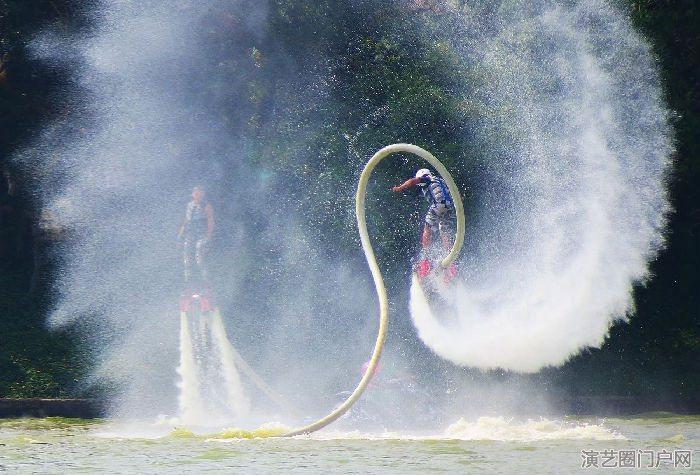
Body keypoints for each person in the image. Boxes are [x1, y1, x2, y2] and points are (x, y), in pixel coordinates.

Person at [392, 168, 457, 282]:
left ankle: (426, 261)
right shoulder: (440, 180)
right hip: (450, 206)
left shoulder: (427, 179)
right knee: (444, 232)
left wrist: (399, 188)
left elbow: (413, 181)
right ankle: (450, 264)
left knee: (427, 228)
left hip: (439, 204)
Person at [178, 186, 214, 289]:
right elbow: (186, 220)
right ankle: (188, 280)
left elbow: (211, 221)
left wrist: (208, 236)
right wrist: (180, 235)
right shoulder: (190, 205)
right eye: (195, 193)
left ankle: (206, 280)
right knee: (187, 255)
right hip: (191, 232)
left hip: (201, 233)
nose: (197, 195)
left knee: (200, 256)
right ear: (193, 194)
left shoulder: (207, 206)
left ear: (203, 194)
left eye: (200, 193)